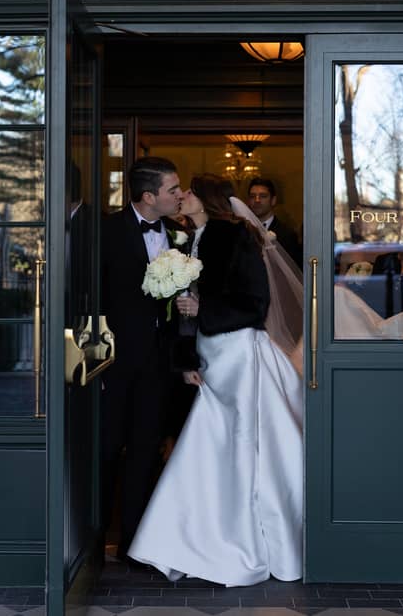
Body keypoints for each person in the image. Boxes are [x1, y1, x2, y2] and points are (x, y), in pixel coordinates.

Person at [128, 173, 304, 587]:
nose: (182, 197)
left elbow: (254, 302)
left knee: (237, 446)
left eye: (188, 191)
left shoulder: (232, 236)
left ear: (204, 199)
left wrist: (202, 305)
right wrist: (187, 355)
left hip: (237, 355)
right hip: (211, 354)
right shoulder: (194, 238)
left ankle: (236, 540)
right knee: (212, 446)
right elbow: (189, 310)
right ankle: (190, 539)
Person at [100, 156, 183, 561]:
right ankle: (94, 543)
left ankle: (137, 544)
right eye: (173, 190)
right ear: (149, 196)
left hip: (159, 363)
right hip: (113, 363)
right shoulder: (106, 231)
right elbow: (88, 298)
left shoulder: (180, 234)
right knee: (107, 449)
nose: (180, 195)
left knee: (146, 452)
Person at [247, 177, 303, 268]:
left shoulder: (287, 234)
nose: (257, 200)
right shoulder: (243, 230)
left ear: (273, 200)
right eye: (252, 196)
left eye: (263, 196)